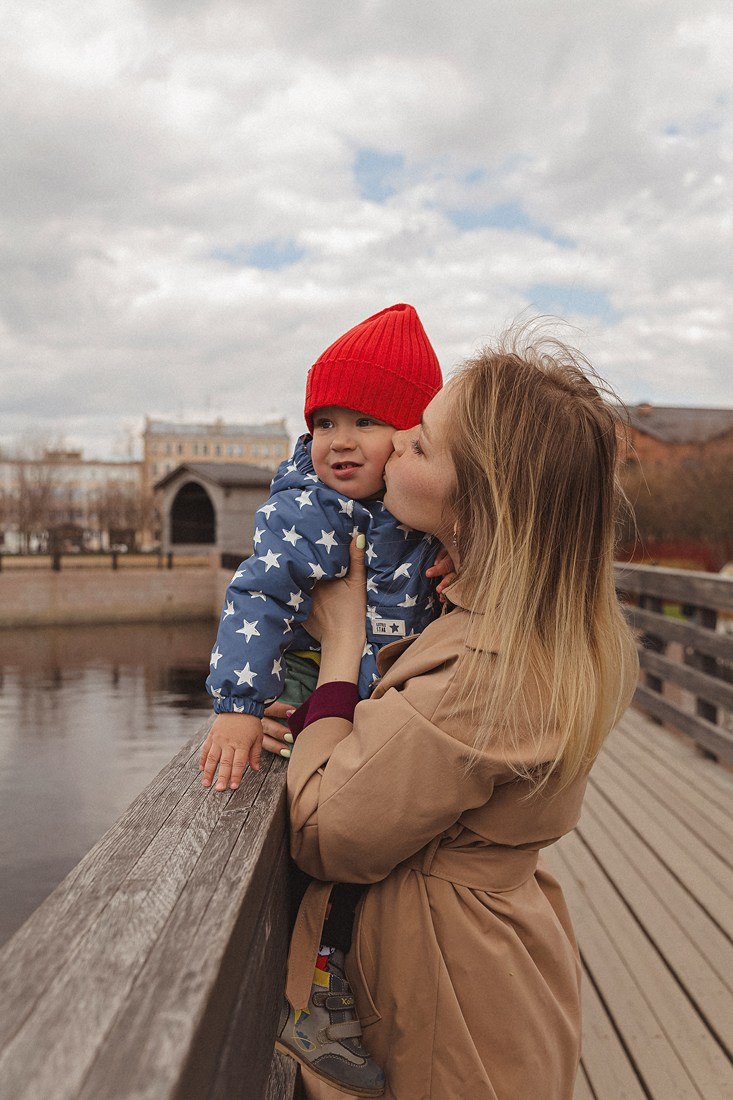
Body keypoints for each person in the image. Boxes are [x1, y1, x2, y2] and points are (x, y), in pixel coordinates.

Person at [264, 326, 639, 1100]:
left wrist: (340, 650)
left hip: (450, 1007)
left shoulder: (485, 665)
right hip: (475, 971)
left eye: (423, 445)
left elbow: (326, 831)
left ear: (479, 506)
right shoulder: (526, 620)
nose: (394, 442)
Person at [201, 302, 443, 795]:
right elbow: (259, 595)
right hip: (311, 684)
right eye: (325, 423)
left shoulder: (426, 508)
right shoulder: (310, 510)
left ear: (411, 435)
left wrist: (465, 546)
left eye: (366, 422)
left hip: (393, 697)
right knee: (292, 783)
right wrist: (238, 706)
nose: (340, 442)